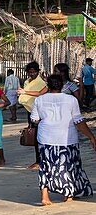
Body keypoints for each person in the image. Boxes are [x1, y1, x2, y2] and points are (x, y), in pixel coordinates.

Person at [31, 73, 96, 205]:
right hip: (67, 139)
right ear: (62, 85)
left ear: (48, 86)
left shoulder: (39, 100)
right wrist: (91, 136)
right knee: (68, 166)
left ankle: (45, 196)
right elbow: (78, 121)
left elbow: (34, 119)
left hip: (46, 138)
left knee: (46, 166)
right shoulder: (71, 100)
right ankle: (68, 195)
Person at [19, 61, 47, 170]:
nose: (32, 74)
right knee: (35, 136)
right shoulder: (27, 82)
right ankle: (38, 160)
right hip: (30, 110)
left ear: (37, 72)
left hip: (40, 111)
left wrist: (24, 92)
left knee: (40, 137)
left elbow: (40, 93)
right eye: (30, 72)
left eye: (34, 72)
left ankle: (40, 161)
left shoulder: (41, 82)